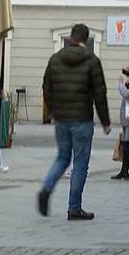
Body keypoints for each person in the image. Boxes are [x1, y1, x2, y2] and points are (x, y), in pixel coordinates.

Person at [37, 24, 112, 220]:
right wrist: (105, 120)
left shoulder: (55, 59)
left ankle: (46, 188)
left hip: (62, 120)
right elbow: (99, 93)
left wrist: (53, 111)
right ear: (86, 39)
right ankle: (74, 208)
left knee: (62, 157)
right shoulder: (92, 61)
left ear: (71, 37)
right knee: (80, 163)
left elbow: (46, 88)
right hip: (82, 119)